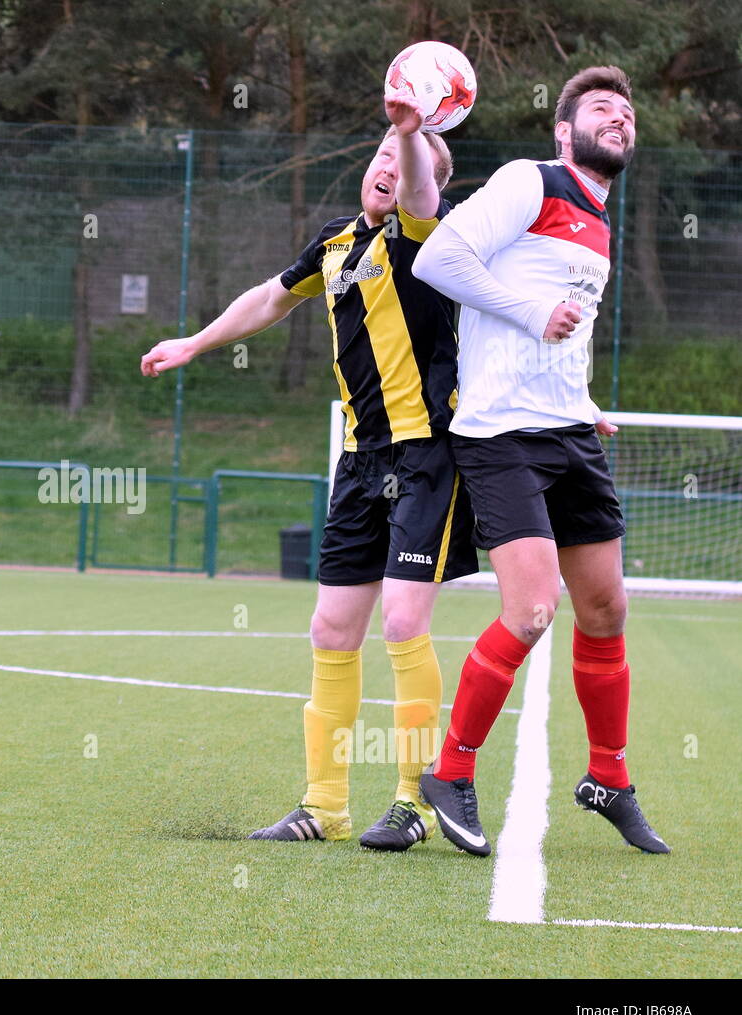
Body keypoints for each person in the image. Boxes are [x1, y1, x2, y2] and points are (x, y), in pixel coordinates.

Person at [140, 88, 477, 851]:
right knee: (330, 626)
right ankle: (323, 806)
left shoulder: (430, 236)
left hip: (426, 457)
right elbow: (268, 298)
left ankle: (413, 803)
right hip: (358, 461)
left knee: (402, 619)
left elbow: (421, 188)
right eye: (382, 154)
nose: (390, 165)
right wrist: (193, 343)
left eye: (406, 158)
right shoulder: (334, 244)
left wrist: (413, 131)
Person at [412, 66, 669, 854]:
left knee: (607, 610)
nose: (619, 119)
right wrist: (531, 312)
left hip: (569, 433)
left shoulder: (598, 220)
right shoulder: (533, 180)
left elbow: (567, 326)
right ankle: (450, 771)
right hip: (501, 436)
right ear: (565, 130)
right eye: (602, 109)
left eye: (627, 113)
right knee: (529, 611)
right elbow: (439, 261)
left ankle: (608, 777)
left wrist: (583, 397)